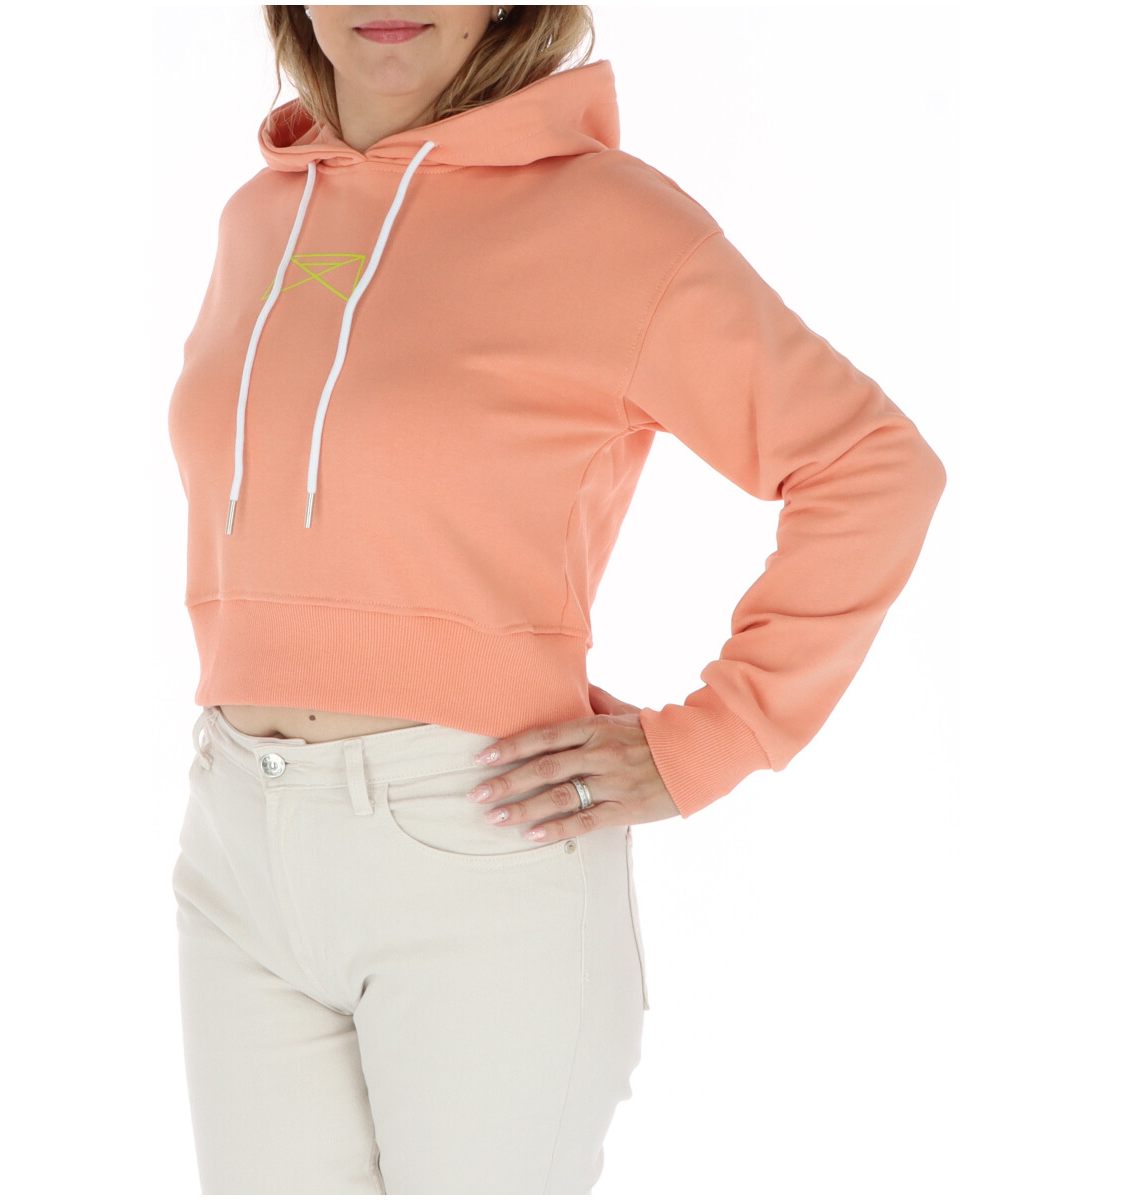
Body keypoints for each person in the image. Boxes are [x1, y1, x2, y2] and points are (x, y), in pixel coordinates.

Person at [166, 4, 947, 1194]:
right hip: (236, 838)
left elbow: (872, 464)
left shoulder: (611, 220)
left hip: (479, 836)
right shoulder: (263, 216)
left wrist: (720, 736)